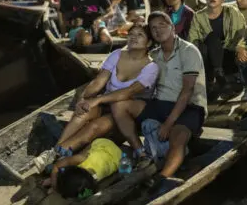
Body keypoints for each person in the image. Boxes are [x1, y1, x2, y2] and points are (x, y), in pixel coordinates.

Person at [33, 23, 158, 171]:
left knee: (94, 126)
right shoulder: (117, 54)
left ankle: (57, 154)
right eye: (131, 34)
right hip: (106, 104)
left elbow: (128, 93)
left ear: (149, 43)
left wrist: (96, 99)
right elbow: (99, 81)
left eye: (140, 35)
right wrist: (83, 98)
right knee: (83, 111)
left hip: (125, 114)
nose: (133, 37)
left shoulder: (151, 67)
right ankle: (55, 152)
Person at [111, 12, 206, 191]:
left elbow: (187, 91)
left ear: (172, 26)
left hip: (188, 107)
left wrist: (169, 123)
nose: (157, 30)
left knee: (178, 139)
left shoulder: (188, 50)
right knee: (119, 105)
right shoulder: (153, 54)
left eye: (162, 25)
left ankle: (162, 179)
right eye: (153, 28)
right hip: (159, 104)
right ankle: (141, 152)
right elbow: (130, 64)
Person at [188, 0, 246, 95]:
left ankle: (230, 76)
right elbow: (192, 39)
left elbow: (242, 34)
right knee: (210, 38)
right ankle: (212, 78)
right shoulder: (198, 16)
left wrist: (240, 48)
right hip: (210, 58)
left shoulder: (232, 12)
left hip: (230, 53)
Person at [48, 139, 122, 199]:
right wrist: (54, 181)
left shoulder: (90, 185)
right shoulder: (83, 159)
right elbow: (57, 166)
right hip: (109, 149)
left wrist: (55, 188)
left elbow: (57, 167)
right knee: (83, 153)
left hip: (114, 153)